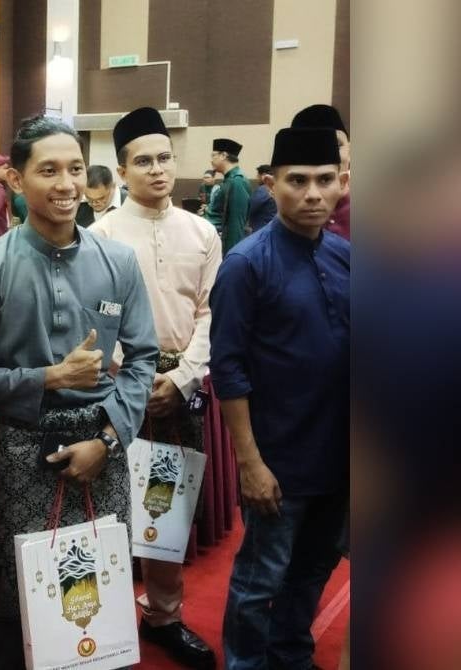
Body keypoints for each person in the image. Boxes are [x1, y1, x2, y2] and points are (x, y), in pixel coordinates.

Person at [0, 115, 159, 669]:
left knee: (96, 593)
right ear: (16, 180)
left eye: (75, 168)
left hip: (103, 447)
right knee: (15, 601)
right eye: (48, 170)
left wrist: (108, 440)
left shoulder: (117, 261)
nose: (67, 183)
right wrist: (49, 378)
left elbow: (142, 358)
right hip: (21, 449)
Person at [210, 127, 350, 670]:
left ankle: (291, 655)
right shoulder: (246, 264)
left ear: (342, 183)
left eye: (324, 180)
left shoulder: (347, 256)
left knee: (314, 568)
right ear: (272, 184)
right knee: (259, 580)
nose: (313, 193)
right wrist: (250, 463)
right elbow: (228, 368)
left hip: (338, 458)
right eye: (298, 181)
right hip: (277, 460)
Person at [91, 106, 220, 669]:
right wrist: (137, 378)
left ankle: (164, 616)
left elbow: (210, 313)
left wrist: (183, 376)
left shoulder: (202, 232)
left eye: (165, 158)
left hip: (180, 388)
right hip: (118, 389)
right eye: (143, 161)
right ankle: (106, 623)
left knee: (164, 510)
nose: (158, 169)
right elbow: (98, 320)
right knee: (111, 507)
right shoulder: (100, 235)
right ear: (122, 172)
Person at [292, 104, 351, 240]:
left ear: (350, 150)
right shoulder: (289, 210)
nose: (328, 154)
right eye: (311, 147)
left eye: (336, 144)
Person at [204, 138, 251, 253]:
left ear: (223, 155)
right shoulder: (229, 180)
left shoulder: (237, 182)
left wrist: (231, 255)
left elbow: (236, 224)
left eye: (213, 155)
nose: (211, 160)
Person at [246, 165, 277, 233]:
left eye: (258, 176)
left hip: (261, 228)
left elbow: (250, 208)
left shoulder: (263, 190)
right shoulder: (275, 188)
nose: (257, 178)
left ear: (263, 176)